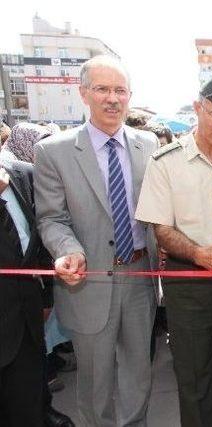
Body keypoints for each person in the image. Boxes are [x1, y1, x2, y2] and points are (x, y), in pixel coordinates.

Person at [34, 55, 158, 426]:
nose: (112, 98)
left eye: (120, 90)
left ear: (130, 95)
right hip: (88, 282)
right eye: (102, 89)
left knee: (139, 376)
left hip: (140, 276)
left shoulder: (148, 145)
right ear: (83, 93)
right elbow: (52, 218)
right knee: (94, 383)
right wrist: (68, 251)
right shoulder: (53, 151)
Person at [135, 66, 212, 427]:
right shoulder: (164, 162)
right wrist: (197, 254)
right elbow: (161, 230)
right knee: (193, 369)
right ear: (198, 107)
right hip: (187, 278)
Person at [0, 125, 74, 427]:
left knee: (27, 408)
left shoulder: (25, 174)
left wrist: (45, 296)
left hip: (27, 322)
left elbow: (44, 234)